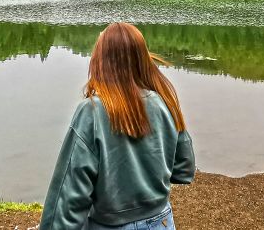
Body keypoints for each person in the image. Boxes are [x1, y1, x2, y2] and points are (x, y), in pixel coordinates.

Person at [41, 22, 195, 230]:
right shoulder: (164, 102)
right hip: (162, 221)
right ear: (142, 58)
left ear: (100, 60)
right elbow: (183, 169)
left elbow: (69, 196)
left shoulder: (91, 112)